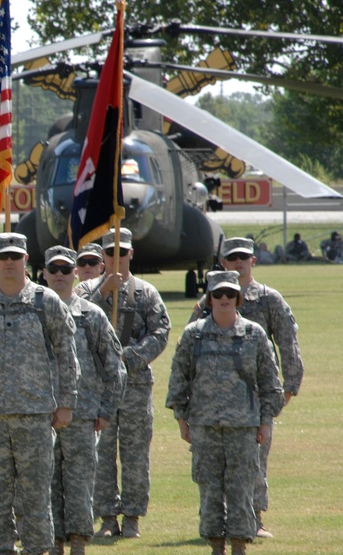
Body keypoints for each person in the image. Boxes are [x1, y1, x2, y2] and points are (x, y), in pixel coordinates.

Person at [0, 232, 79, 555]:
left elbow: (67, 356)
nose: (9, 262)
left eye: (16, 256)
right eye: (3, 256)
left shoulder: (46, 303)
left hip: (36, 419)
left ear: (26, 260)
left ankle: (37, 550)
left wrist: (66, 403)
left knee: (37, 498)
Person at [188, 237, 304, 538]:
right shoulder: (207, 303)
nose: (238, 263)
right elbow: (189, 348)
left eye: (244, 258)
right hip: (212, 402)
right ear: (223, 263)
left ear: (254, 261)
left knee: (254, 463)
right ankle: (218, 523)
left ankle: (255, 518)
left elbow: (288, 344)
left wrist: (288, 389)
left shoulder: (269, 299)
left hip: (254, 398)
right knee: (214, 466)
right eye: (232, 258)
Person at [167, 270, 284, 555]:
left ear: (238, 298)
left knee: (242, 489)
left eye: (229, 294)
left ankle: (239, 545)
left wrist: (266, 422)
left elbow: (270, 384)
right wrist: (182, 419)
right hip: (204, 427)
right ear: (209, 298)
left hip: (243, 427)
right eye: (217, 294)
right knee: (209, 489)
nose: (223, 299)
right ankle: (215, 544)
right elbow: (179, 379)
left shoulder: (254, 335)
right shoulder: (194, 334)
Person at [77, 227, 171, 539]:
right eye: (110, 253)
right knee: (101, 454)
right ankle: (106, 516)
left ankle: (132, 516)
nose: (116, 258)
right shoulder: (86, 290)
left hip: (134, 386)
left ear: (131, 254)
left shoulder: (145, 293)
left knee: (134, 454)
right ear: (102, 257)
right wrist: (103, 291)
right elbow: (73, 318)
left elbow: (160, 331)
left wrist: (128, 356)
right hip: (98, 386)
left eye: (122, 252)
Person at [42, 246, 126, 555]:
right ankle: (53, 543)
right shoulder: (32, 311)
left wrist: (106, 410)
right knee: (46, 482)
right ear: (44, 273)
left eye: (67, 269)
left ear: (76, 273)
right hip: (41, 415)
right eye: (55, 270)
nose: (61, 275)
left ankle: (78, 542)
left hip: (82, 415)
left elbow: (115, 366)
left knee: (78, 484)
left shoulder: (91, 315)